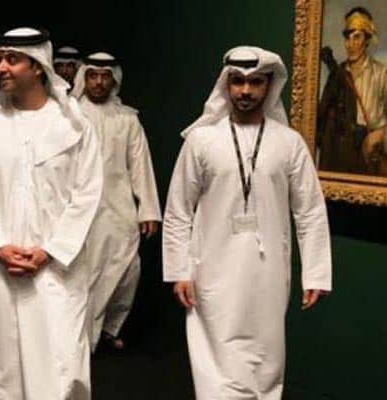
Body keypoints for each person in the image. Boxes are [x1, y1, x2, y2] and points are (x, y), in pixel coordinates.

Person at [163, 46, 332, 399]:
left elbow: (310, 211)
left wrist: (315, 272)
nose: (245, 91)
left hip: (268, 270)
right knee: (215, 356)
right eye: (237, 81)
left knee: (265, 355)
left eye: (255, 82)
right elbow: (179, 209)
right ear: (225, 85)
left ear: (269, 86)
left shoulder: (289, 143)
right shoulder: (201, 140)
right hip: (211, 267)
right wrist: (178, 269)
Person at [0, 27, 102, 399]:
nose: (0, 67)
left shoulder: (74, 125)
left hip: (58, 272)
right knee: (0, 371)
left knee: (61, 366)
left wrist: (49, 250)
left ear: (37, 67)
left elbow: (87, 194)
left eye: (11, 59)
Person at [71, 52, 161, 351]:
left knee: (125, 270)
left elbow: (140, 165)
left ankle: (109, 329)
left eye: (104, 76)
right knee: (88, 273)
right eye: (93, 75)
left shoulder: (128, 119)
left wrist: (148, 209)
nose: (98, 82)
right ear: (84, 77)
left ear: (114, 79)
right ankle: (85, 339)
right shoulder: (70, 115)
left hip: (120, 208)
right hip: (81, 210)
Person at [317, 6, 387, 175]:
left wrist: (379, 135)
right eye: (348, 37)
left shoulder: (381, 73)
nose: (351, 44)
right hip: (341, 154)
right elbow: (322, 116)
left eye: (357, 37)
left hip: (370, 154)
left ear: (367, 40)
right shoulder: (337, 75)